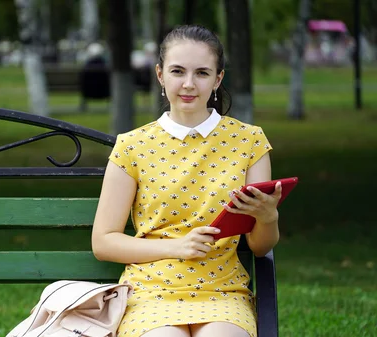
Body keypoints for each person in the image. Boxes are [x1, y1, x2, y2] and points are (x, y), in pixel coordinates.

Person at [91, 25, 281, 337]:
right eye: (178, 71)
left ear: (218, 79)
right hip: (150, 292)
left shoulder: (249, 141)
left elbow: (260, 247)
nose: (189, 84)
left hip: (223, 291)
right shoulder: (132, 146)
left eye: (202, 73)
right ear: (160, 75)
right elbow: (103, 242)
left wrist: (268, 217)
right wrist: (178, 247)